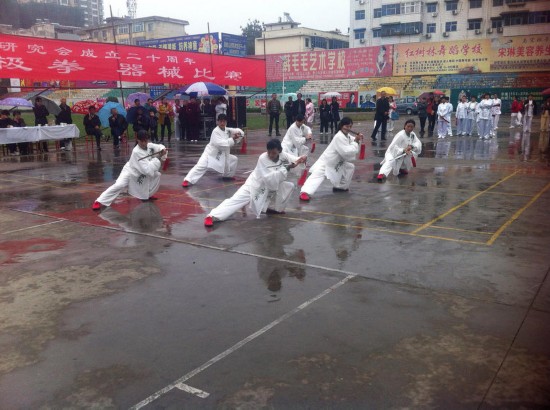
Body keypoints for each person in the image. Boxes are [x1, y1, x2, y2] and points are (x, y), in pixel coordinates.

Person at [204, 139, 306, 227]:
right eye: (269, 152)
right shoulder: (263, 158)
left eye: (274, 153)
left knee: (288, 186)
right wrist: (287, 168)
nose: (270, 155)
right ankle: (212, 216)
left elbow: (294, 159)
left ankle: (275, 209)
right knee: (236, 200)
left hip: (271, 184)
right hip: (255, 184)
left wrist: (301, 159)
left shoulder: (283, 155)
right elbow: (269, 178)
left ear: (279, 151)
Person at [92, 130, 167, 210]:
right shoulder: (136, 152)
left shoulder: (149, 145)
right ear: (137, 140)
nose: (145, 143)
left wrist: (163, 149)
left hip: (141, 171)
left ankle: (147, 195)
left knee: (157, 175)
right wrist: (157, 158)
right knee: (119, 185)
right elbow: (147, 170)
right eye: (142, 141)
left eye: (146, 140)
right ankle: (99, 201)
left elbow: (159, 146)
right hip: (130, 171)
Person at [299, 117, 363, 201]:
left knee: (350, 167)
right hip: (328, 161)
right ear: (341, 126)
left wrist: (358, 139)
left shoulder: (346, 136)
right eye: (347, 126)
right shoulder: (339, 136)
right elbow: (346, 152)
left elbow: (353, 141)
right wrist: (356, 142)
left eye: (350, 127)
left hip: (337, 161)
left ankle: (341, 187)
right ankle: (305, 192)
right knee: (317, 175)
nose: (348, 128)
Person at [182, 114, 244, 187]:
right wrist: (233, 139)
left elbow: (237, 131)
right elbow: (220, 144)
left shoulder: (227, 130)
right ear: (217, 122)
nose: (222, 123)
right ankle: (187, 180)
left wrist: (240, 133)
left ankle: (227, 176)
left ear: (226, 122)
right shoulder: (215, 131)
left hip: (221, 153)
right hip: (210, 153)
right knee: (201, 166)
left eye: (224, 121)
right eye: (220, 121)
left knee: (233, 159)